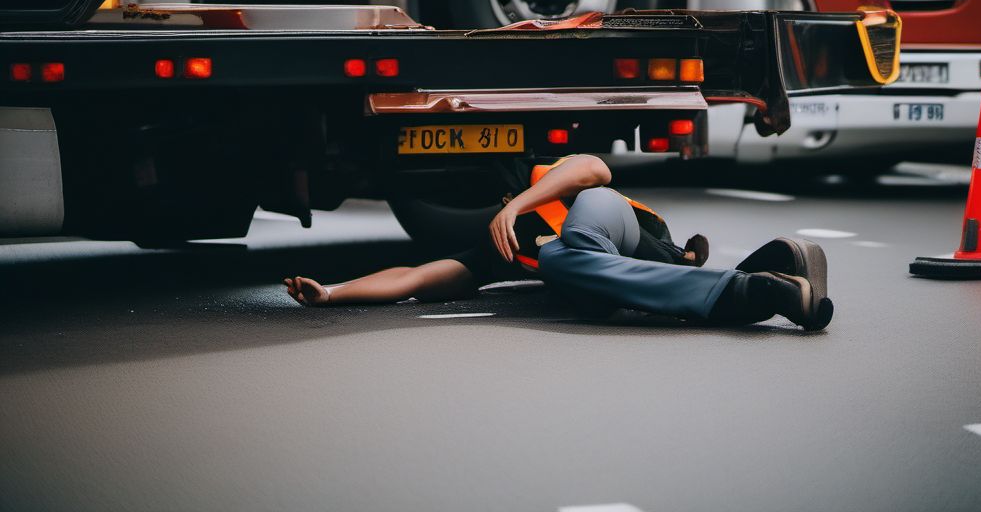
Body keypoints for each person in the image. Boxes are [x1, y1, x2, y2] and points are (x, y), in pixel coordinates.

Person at [284, 153, 833, 331]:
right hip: (591, 280)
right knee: (563, 266)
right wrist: (333, 292)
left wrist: (523, 202)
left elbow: (593, 169)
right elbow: (412, 278)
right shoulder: (493, 249)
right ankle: (761, 286)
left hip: (619, 231)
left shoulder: (544, 185)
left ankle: (745, 292)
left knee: (560, 253)